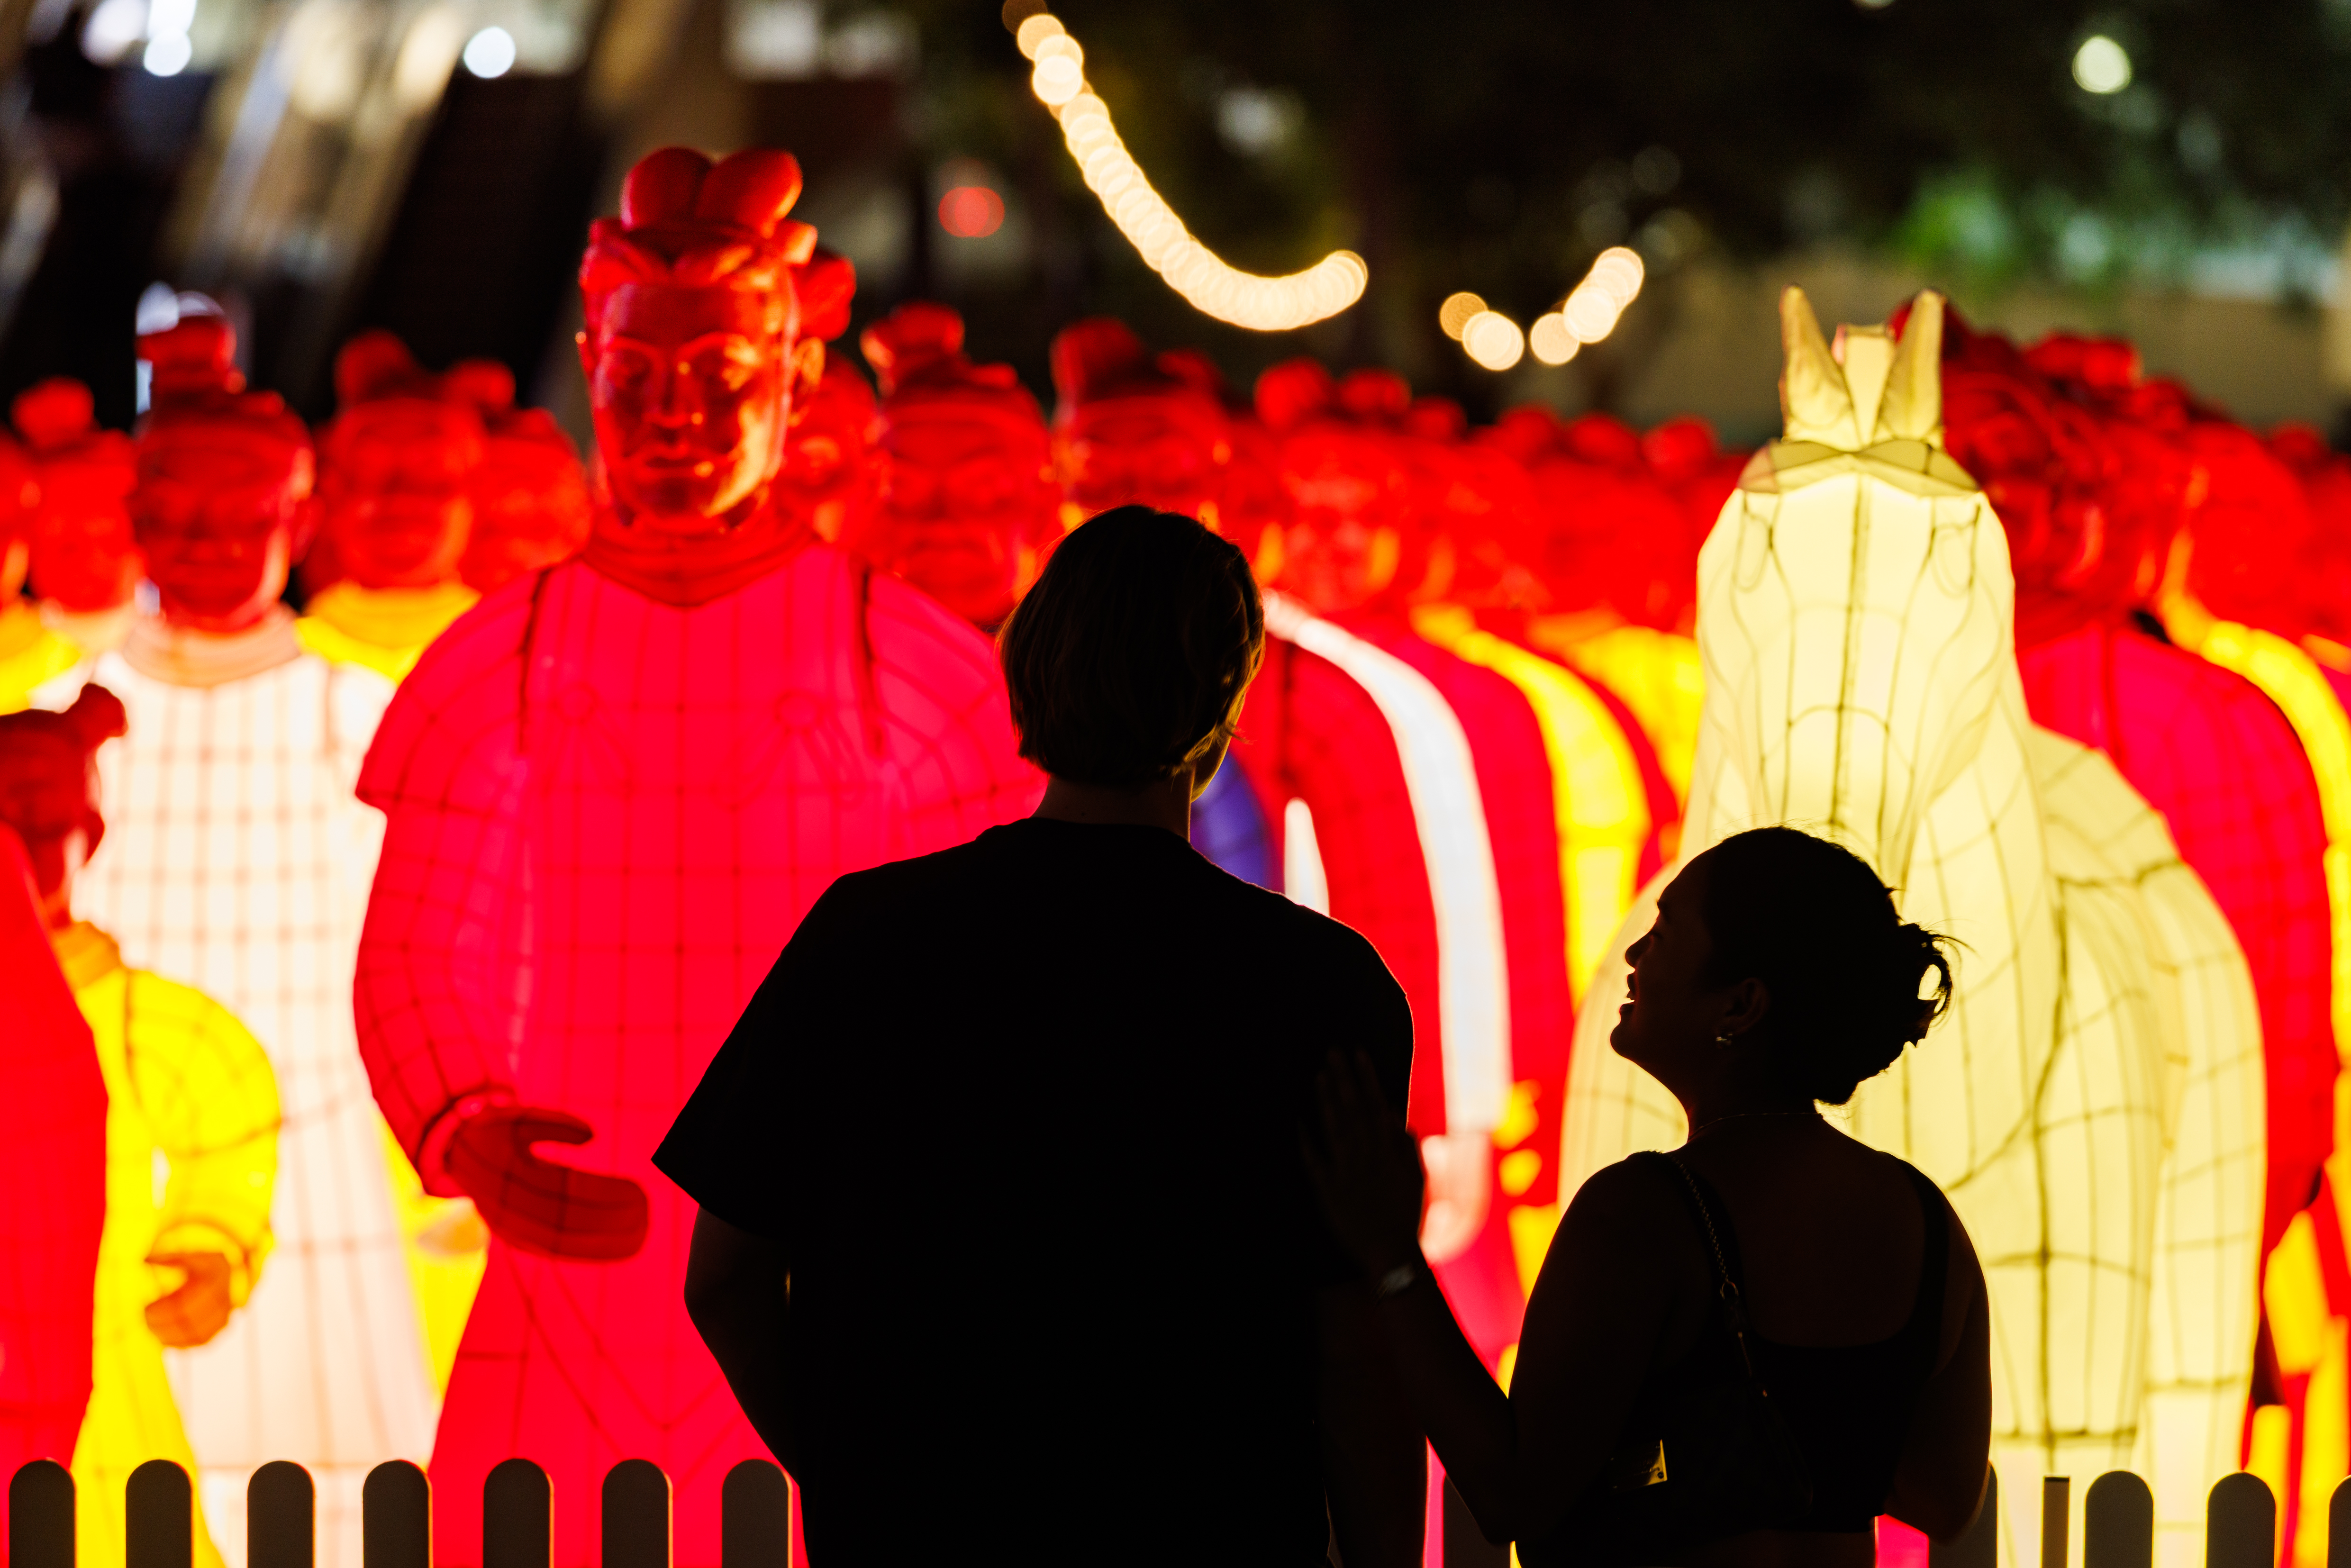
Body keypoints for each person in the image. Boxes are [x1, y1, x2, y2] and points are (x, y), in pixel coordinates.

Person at [660, 506, 1424, 1566]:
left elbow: (725, 1277)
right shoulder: (1321, 985)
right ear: (1221, 696)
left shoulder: (869, 938)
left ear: (1027, 670)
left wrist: (852, 1466)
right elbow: (1351, 1330)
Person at [1307, 825, 1993, 1566]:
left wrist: (1391, 1259)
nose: (1634, 956)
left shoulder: (1642, 1213)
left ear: (1741, 1006)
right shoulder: (1926, 1223)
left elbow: (1510, 1491)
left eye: (1664, 933)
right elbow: (1946, 1497)